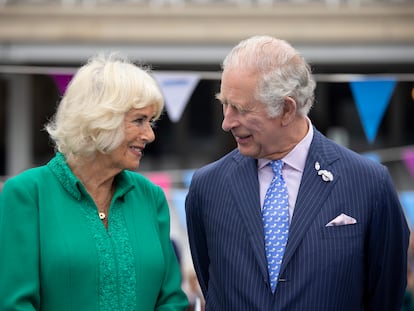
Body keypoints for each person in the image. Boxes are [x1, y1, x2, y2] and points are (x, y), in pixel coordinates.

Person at [185, 35, 410, 311]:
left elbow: (386, 296)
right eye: (225, 104)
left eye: (241, 109)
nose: (226, 122)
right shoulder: (207, 188)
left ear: (286, 109)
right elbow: (210, 284)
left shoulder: (369, 183)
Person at [0, 53, 189, 310]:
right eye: (139, 121)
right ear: (100, 121)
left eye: (151, 121)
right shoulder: (26, 195)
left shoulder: (151, 197)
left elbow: (171, 300)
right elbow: (14, 304)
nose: (150, 135)